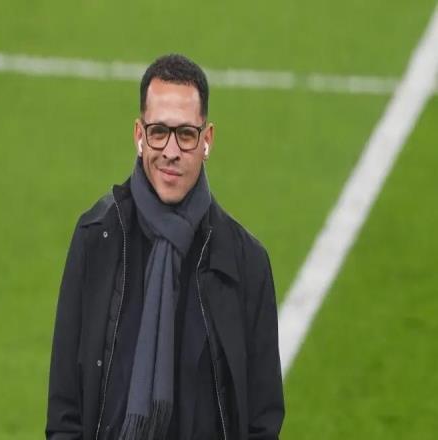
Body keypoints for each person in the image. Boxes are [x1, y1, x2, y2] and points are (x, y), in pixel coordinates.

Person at [45, 53, 284, 440]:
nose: (171, 151)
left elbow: (263, 419)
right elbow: (65, 408)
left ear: (207, 140)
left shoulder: (246, 262)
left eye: (186, 134)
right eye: (159, 131)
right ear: (139, 135)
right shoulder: (96, 238)